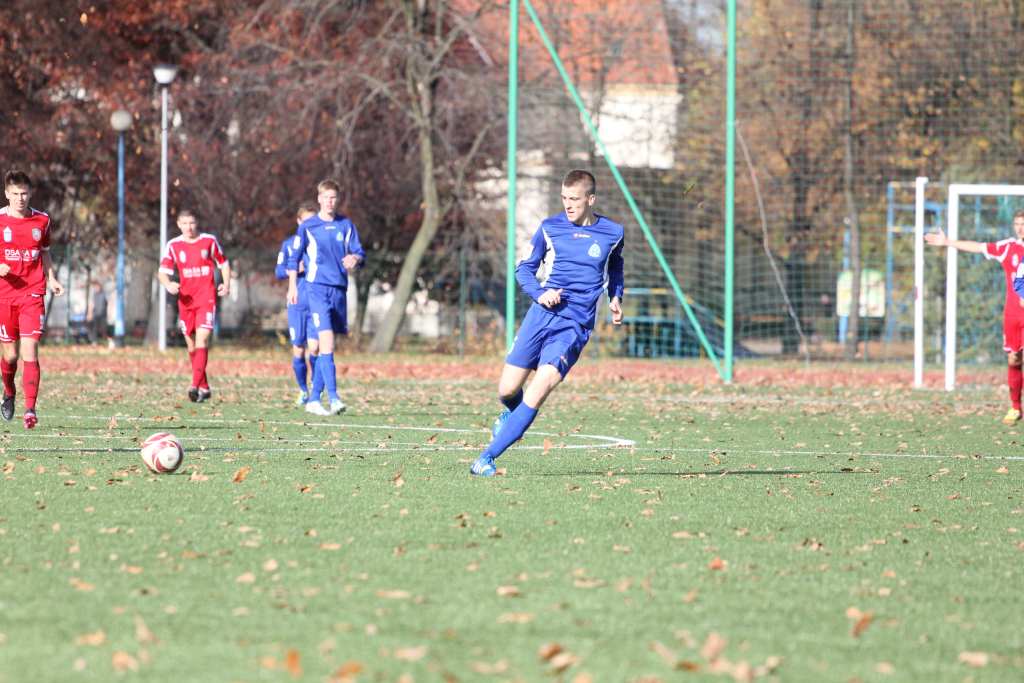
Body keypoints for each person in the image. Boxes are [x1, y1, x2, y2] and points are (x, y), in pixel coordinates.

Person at [470, 169, 624, 477]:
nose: (568, 204)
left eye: (575, 199)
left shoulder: (613, 233)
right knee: (507, 390)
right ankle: (513, 417)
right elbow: (523, 269)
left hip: (574, 326)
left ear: (591, 199)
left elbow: (615, 267)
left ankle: (485, 458)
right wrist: (541, 294)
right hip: (540, 316)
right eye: (564, 198)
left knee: (540, 387)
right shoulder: (549, 228)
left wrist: (615, 297)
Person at [927, 209, 1024, 424]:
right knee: (1014, 358)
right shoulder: (1007, 248)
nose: (1019, 228)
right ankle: (1016, 407)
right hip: (1012, 315)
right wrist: (947, 242)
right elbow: (979, 247)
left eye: (1023, 224)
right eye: (1017, 224)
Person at [286, 179, 365, 416]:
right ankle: (334, 398)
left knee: (324, 347)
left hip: (338, 290)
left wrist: (355, 259)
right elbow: (294, 258)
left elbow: (359, 252)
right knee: (326, 342)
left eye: (333, 198)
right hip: (316, 288)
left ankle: (313, 399)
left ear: (337, 200)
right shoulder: (308, 226)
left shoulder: (346, 225)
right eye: (326, 197)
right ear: (319, 199)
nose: (330, 202)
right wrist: (292, 286)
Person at [0, 170, 65, 429]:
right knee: (10, 355)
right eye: (15, 194)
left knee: (30, 350)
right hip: (5, 296)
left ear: (30, 193)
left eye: (24, 193)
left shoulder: (42, 220)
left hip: (33, 293)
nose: (20, 198)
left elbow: (45, 252)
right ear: (7, 194)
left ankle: (30, 408)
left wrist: (52, 279)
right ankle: (8, 392)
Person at [158, 208, 231, 403]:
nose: (189, 227)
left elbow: (223, 263)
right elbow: (162, 272)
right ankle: (204, 387)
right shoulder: (173, 245)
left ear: (196, 223)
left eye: (191, 223)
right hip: (186, 301)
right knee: (191, 345)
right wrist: (168, 284)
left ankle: (194, 385)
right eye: (184, 223)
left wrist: (226, 284)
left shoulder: (209, 241)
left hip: (206, 299)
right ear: (179, 225)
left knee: (202, 339)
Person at [275, 201, 320, 406]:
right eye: (306, 221)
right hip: (297, 303)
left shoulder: (320, 244)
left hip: (317, 302)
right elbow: (278, 271)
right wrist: (294, 270)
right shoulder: (289, 244)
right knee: (299, 349)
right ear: (299, 222)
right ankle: (303, 390)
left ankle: (315, 388)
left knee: (315, 348)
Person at [86, 279, 108, 343]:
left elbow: (108, 303)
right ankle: (94, 341)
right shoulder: (94, 294)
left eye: (98, 287)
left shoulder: (104, 294)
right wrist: (89, 314)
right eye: (95, 287)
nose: (96, 288)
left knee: (103, 328)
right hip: (95, 314)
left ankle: (105, 340)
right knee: (93, 327)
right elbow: (91, 304)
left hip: (103, 314)